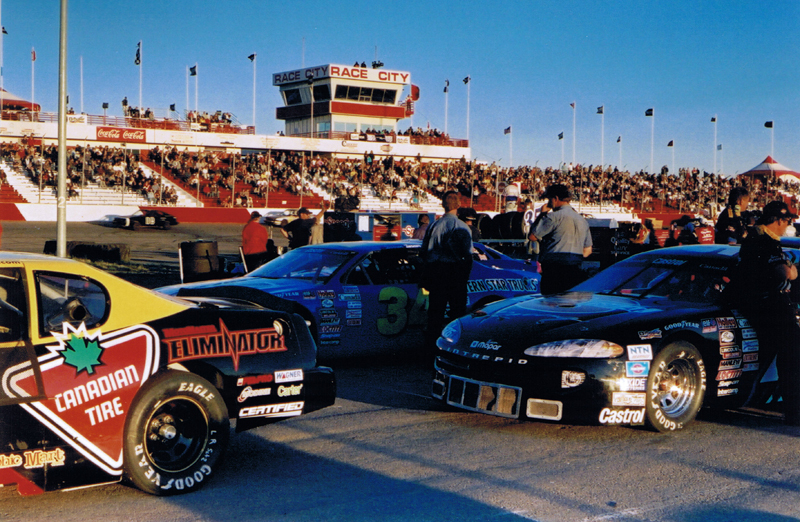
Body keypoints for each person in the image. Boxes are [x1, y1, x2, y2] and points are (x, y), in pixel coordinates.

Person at [726, 200, 800, 426]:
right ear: (778, 220)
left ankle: (751, 396)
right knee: (792, 356)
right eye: (787, 221)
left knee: (771, 354)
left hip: (751, 306)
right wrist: (790, 265)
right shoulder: (766, 242)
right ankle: (794, 412)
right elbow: (787, 274)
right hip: (771, 307)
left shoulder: (752, 240)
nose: (788, 225)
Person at [420, 191, 473, 352]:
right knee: (457, 316)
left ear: (443, 205)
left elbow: (424, 254)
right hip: (456, 274)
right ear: (458, 206)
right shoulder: (462, 227)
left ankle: (431, 350)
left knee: (435, 316)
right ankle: (455, 350)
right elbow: (468, 256)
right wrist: (463, 277)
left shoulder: (434, 226)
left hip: (437, 273)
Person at [528, 184, 592, 295]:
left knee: (551, 305)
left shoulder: (553, 217)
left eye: (549, 199)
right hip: (575, 270)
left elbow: (532, 236)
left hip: (554, 270)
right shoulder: (582, 220)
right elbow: (587, 251)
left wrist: (542, 214)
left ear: (556, 198)